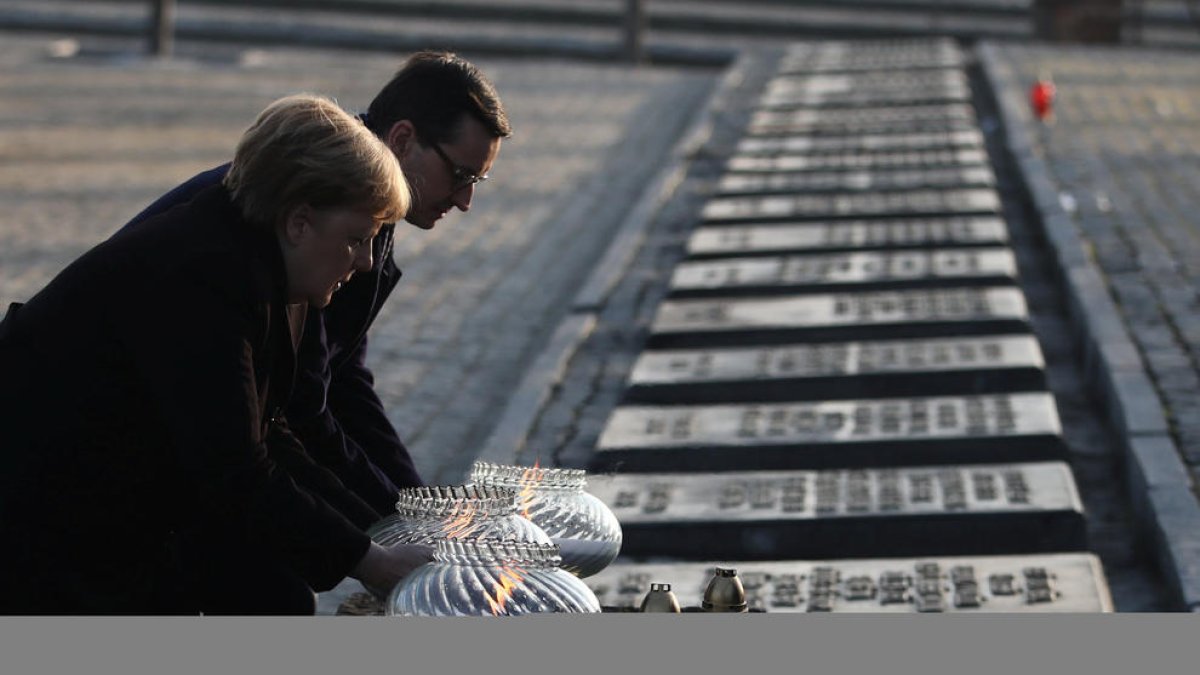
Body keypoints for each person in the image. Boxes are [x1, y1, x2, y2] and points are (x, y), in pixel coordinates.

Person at [0, 94, 433, 615]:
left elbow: (271, 431)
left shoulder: (270, 267)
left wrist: (382, 533)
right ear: (300, 221)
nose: (366, 263)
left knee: (274, 595)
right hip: (47, 504)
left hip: (133, 489)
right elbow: (235, 468)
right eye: (357, 239)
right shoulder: (201, 275)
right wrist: (370, 559)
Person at [126, 51, 513, 523]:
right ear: (404, 139)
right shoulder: (334, 206)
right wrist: (396, 529)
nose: (466, 200)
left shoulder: (361, 206)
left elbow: (341, 379)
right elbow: (299, 411)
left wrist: (417, 510)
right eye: (460, 175)